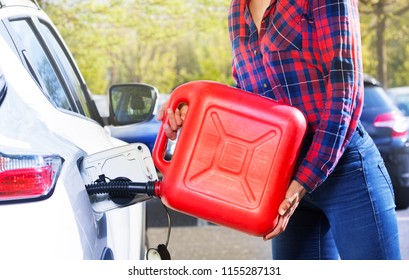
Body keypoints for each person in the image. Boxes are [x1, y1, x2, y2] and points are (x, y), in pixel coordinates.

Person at [157, 0, 402, 260]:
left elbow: (345, 91)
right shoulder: (237, 9)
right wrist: (193, 116)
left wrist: (303, 182)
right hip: (283, 177)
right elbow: (249, 100)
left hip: (346, 170)